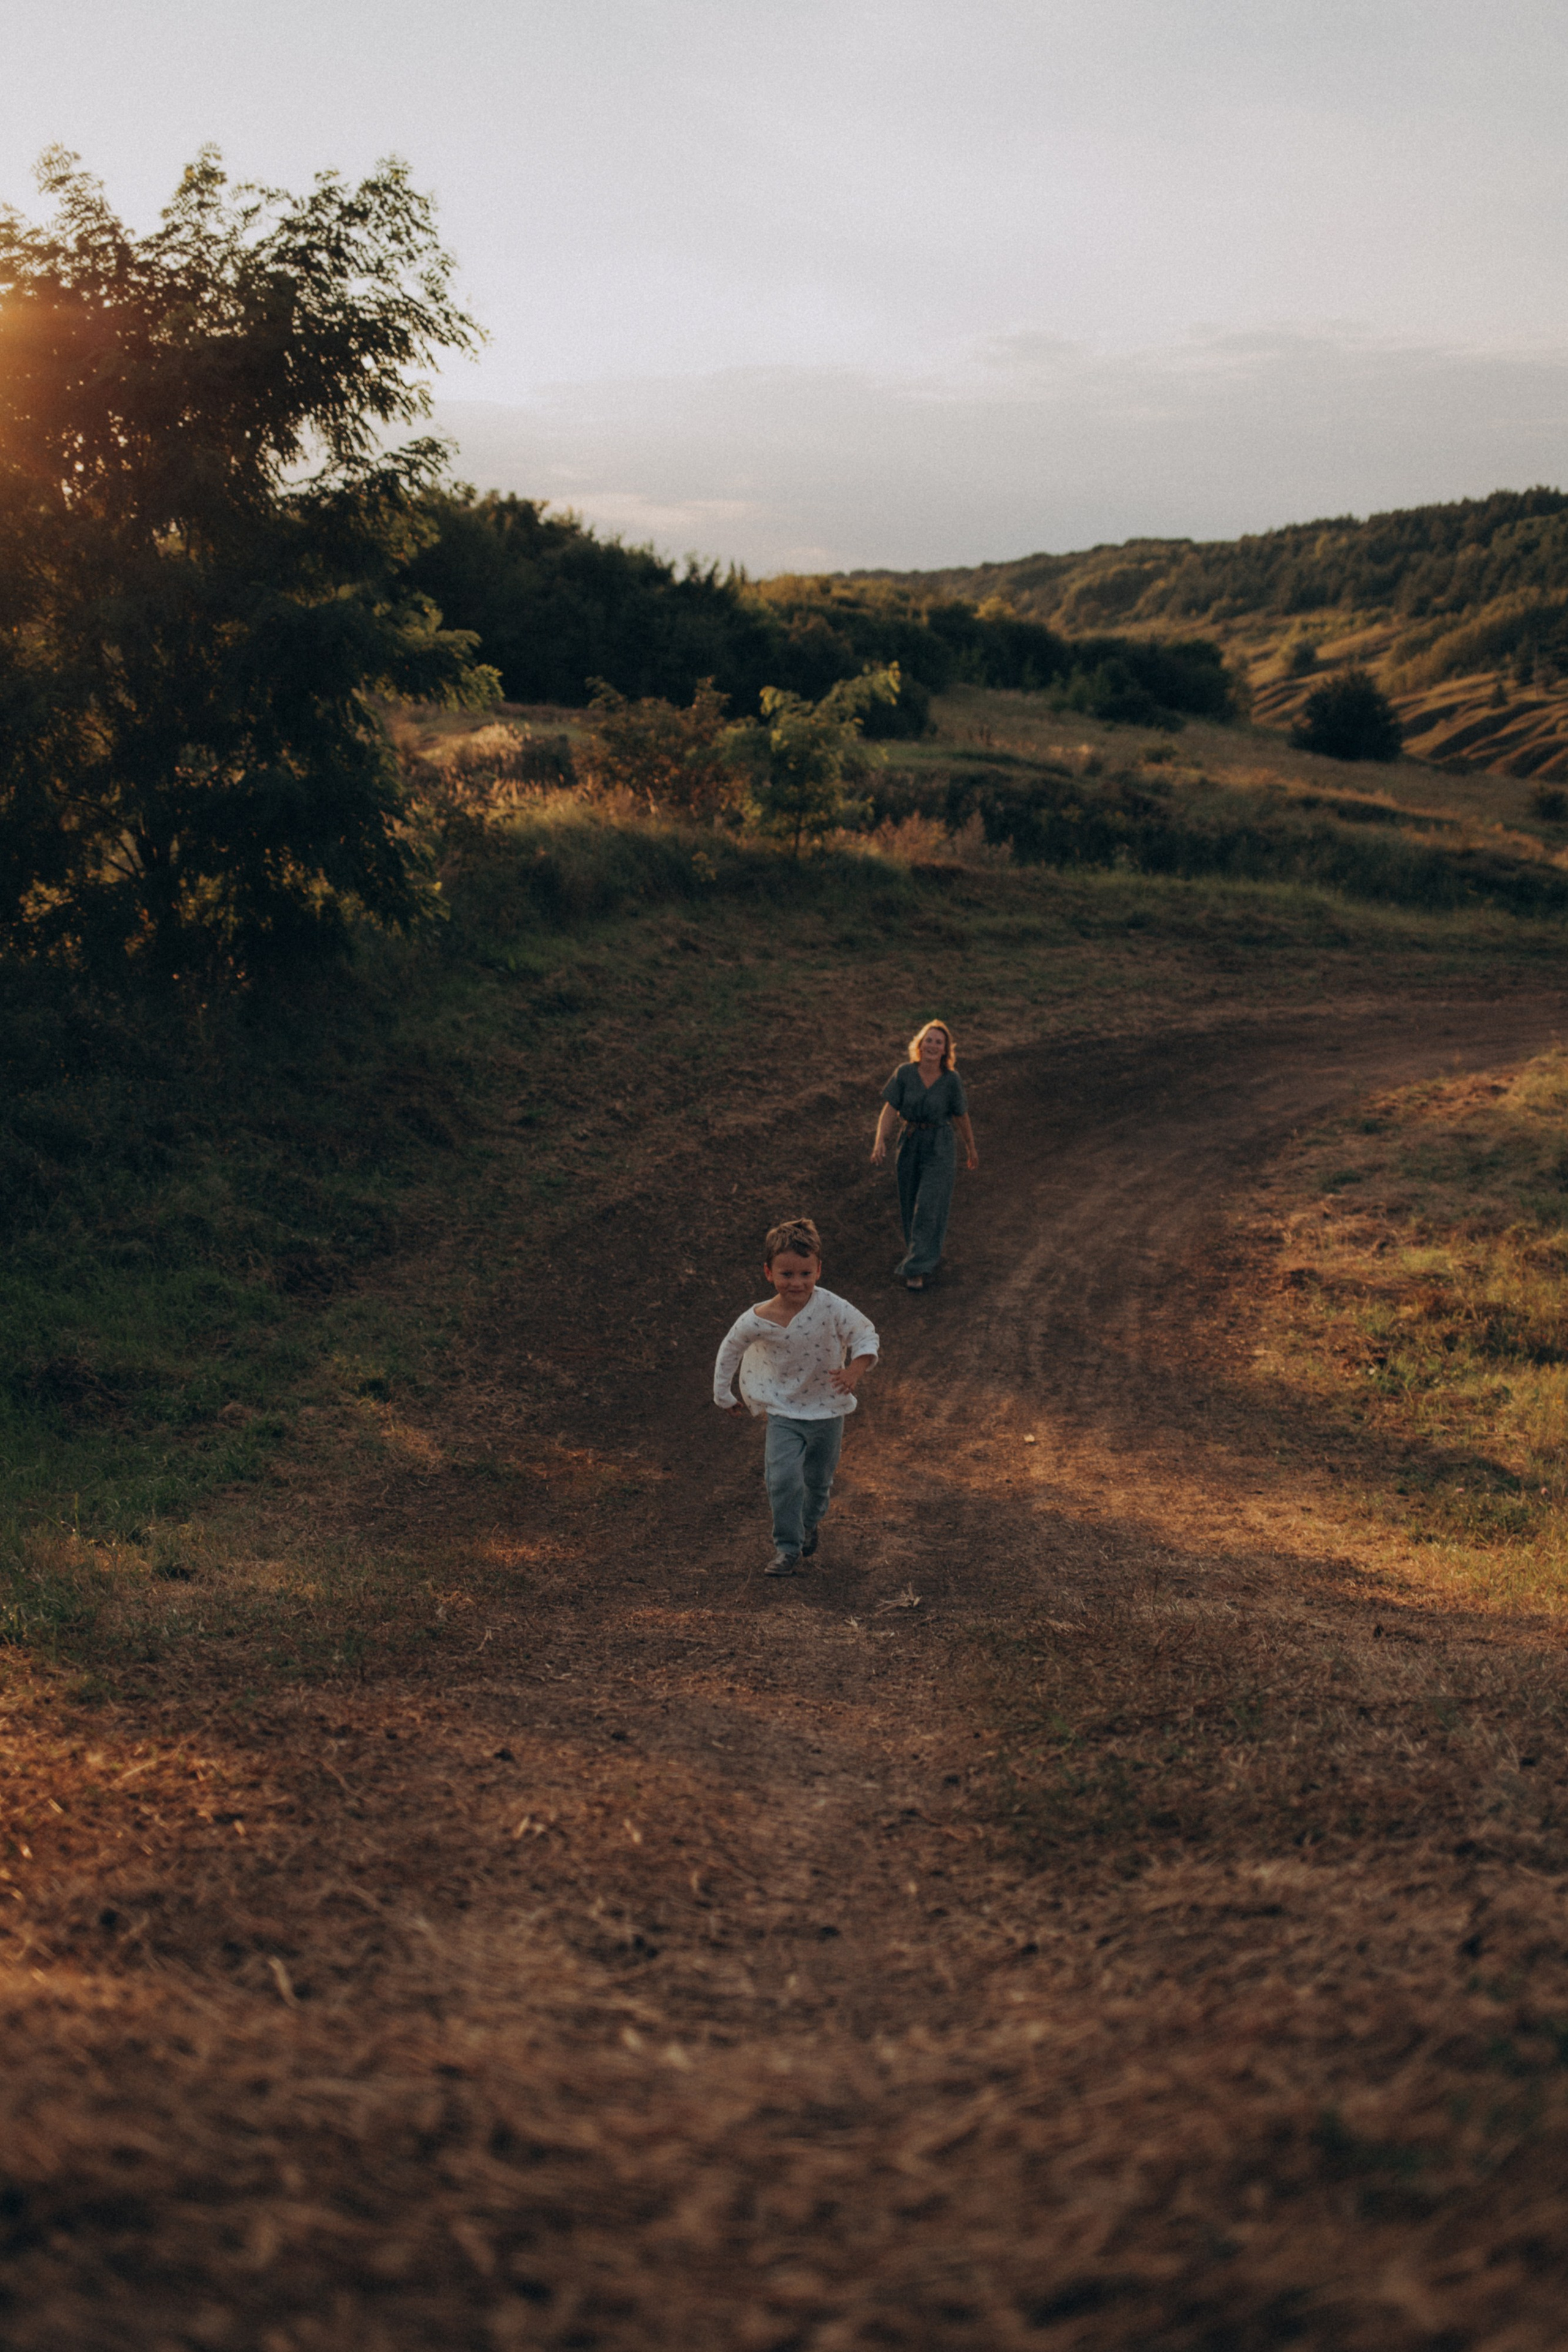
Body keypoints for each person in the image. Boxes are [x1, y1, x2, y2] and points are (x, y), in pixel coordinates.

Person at [713, 1216, 880, 1577]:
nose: (797, 1283)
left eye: (805, 1274)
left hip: (828, 1411)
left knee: (818, 1482)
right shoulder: (758, 1319)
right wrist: (723, 1393)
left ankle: (809, 1524)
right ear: (768, 1273)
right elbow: (731, 1349)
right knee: (783, 1479)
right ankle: (787, 1548)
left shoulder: (832, 1307)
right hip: (784, 1411)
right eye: (786, 1274)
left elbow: (865, 1334)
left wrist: (855, 1370)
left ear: (818, 1270)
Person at [870, 1019, 979, 1289]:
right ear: (919, 1045)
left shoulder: (951, 1080)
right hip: (909, 1142)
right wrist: (880, 1141)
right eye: (928, 1040)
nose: (932, 1045)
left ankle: (916, 1267)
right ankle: (920, 1254)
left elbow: (961, 1115)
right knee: (910, 1203)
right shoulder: (905, 1073)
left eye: (938, 1042)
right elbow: (890, 1109)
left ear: (945, 1050)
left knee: (930, 1203)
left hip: (940, 1144)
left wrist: (970, 1146)